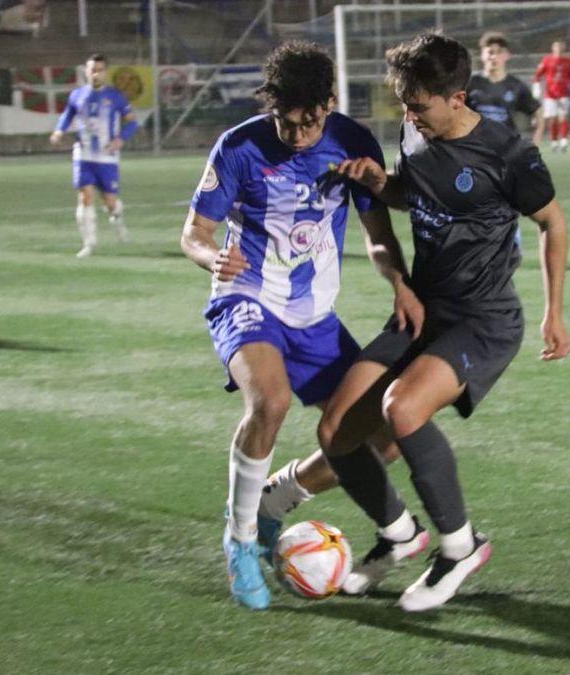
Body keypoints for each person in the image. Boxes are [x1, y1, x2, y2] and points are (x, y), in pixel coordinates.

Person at [319, 32, 570, 612]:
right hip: (423, 309)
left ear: (457, 97)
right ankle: (398, 535)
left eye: (420, 105)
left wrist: (555, 313)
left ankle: (460, 546)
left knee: (401, 408)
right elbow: (417, 193)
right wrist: (382, 184)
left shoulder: (508, 154)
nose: (410, 115)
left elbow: (552, 223)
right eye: (405, 104)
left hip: (483, 318)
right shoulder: (416, 130)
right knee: (336, 432)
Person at [178, 41, 417, 611]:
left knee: (384, 435)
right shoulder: (238, 146)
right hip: (246, 297)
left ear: (330, 103)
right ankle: (239, 543)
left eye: (310, 123)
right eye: (288, 123)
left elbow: (376, 233)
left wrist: (399, 282)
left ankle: (276, 500)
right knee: (272, 403)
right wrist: (210, 256)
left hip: (315, 317)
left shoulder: (352, 141)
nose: (300, 135)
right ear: (273, 107)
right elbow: (193, 232)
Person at [50, 54, 138, 257]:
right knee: (85, 196)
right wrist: (59, 131)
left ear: (105, 72)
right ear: (86, 71)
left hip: (107, 157)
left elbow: (132, 121)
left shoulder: (115, 96)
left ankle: (117, 217)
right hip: (83, 154)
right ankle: (89, 244)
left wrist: (120, 139)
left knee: (110, 201)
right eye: (92, 70)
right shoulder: (77, 95)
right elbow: (68, 115)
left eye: (99, 70)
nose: (95, 73)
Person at [466, 32, 542, 140]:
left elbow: (538, 112)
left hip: (507, 151)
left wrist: (535, 143)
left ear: (507, 55)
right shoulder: (469, 83)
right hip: (476, 149)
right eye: (490, 52)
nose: (494, 56)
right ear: (482, 55)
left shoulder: (516, 86)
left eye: (499, 52)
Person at [533, 39, 570, 152]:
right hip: (550, 94)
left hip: (563, 94)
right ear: (553, 49)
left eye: (560, 48)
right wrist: (536, 87)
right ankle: (554, 141)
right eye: (556, 48)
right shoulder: (547, 60)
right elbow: (538, 75)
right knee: (553, 119)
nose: (558, 50)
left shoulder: (568, 61)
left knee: (563, 117)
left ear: (563, 49)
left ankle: (564, 141)